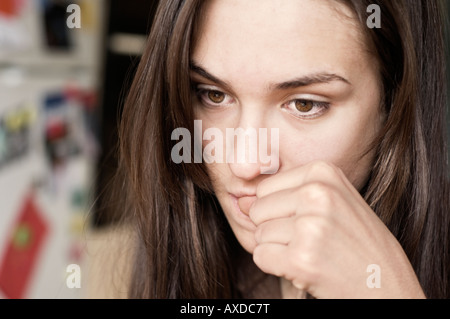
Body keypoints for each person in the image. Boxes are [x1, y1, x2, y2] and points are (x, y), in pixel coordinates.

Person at [112, 0, 450, 298]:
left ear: (393, 104)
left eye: (305, 104)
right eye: (213, 95)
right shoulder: (174, 260)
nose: (244, 163)